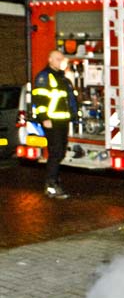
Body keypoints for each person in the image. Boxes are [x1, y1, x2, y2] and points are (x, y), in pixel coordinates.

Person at [32, 49, 79, 198]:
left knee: (60, 152)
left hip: (62, 121)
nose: (61, 61)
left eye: (62, 59)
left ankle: (54, 181)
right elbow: (39, 100)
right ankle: (51, 185)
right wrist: (44, 118)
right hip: (51, 121)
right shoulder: (44, 77)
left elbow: (68, 99)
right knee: (56, 152)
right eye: (58, 59)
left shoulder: (62, 78)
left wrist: (74, 116)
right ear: (50, 60)